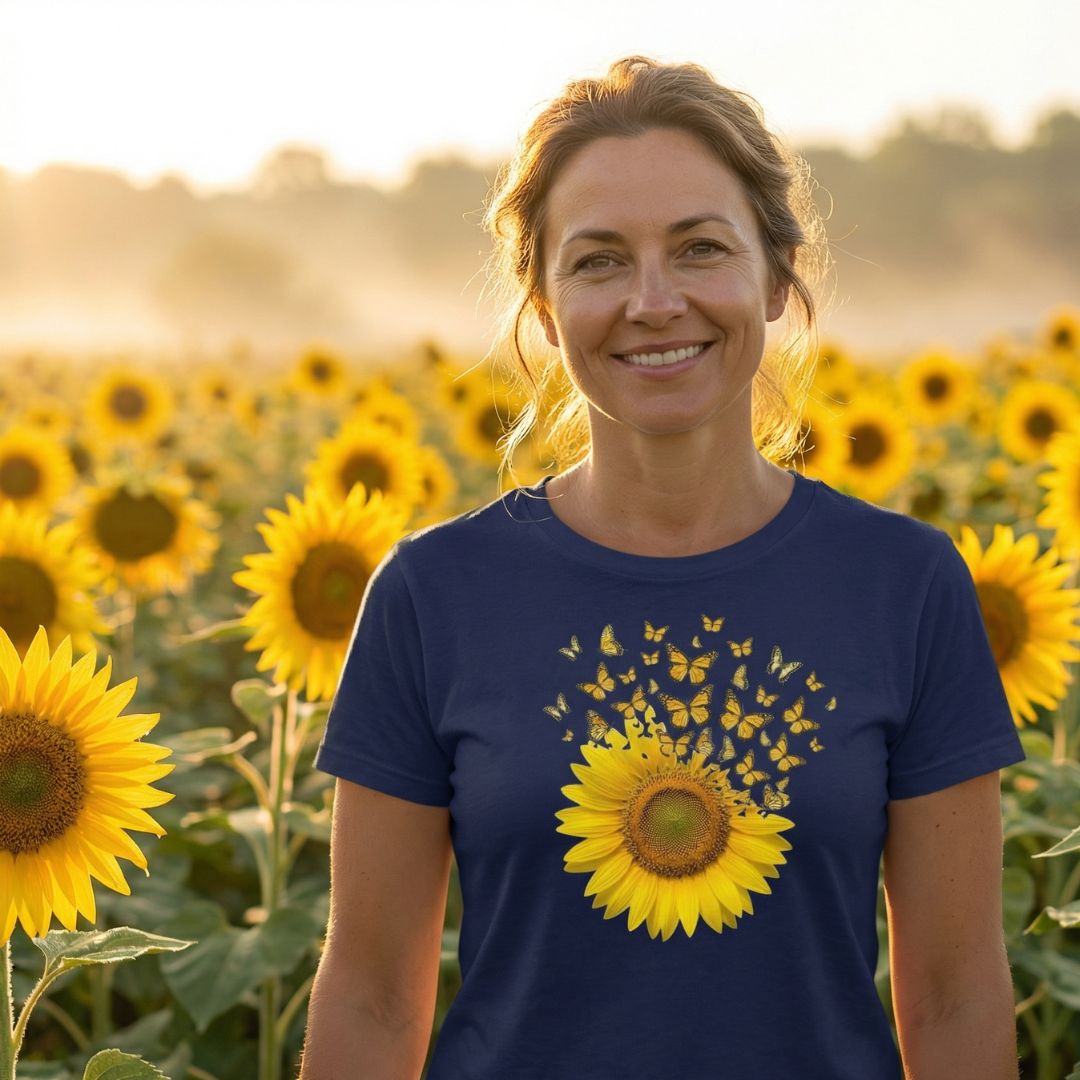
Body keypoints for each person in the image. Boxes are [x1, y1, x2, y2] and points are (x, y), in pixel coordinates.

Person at [300, 56, 1026, 1079]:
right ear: (545, 309)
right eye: (597, 261)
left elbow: (954, 997)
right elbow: (372, 998)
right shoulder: (434, 594)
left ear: (774, 279)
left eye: (699, 249)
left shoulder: (903, 585)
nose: (653, 301)